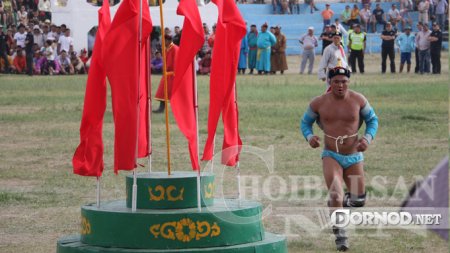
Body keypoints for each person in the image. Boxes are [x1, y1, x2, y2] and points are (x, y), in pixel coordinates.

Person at [300, 65, 378, 252]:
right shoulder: (318, 103)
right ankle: (341, 236)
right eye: (336, 82)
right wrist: (310, 137)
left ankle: (339, 205)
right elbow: (305, 122)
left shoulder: (358, 100)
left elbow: (373, 120)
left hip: (353, 156)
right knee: (336, 193)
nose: (340, 85)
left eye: (344, 81)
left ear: (348, 82)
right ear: (329, 82)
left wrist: (367, 138)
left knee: (358, 200)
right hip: (331, 155)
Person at [153, 34, 178, 113]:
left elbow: (176, 62)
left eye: (163, 41)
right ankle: (161, 108)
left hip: (172, 74)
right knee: (162, 91)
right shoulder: (166, 48)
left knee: (175, 93)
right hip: (167, 73)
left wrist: (173, 72)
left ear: (168, 40)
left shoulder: (175, 48)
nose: (162, 43)